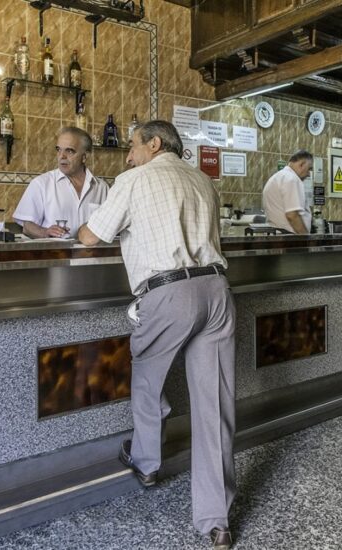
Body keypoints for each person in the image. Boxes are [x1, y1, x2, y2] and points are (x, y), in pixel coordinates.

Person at [78, 120, 236, 550]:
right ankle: (216, 522)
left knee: (148, 380)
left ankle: (147, 462)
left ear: (154, 143)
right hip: (217, 290)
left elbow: (90, 237)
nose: (128, 155)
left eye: (132, 146)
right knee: (214, 405)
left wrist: (76, 229)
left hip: (168, 294)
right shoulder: (204, 181)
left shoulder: (134, 179)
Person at [13, 127, 107, 238]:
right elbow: (27, 226)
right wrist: (45, 232)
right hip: (55, 254)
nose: (62, 156)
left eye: (69, 151)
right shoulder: (41, 184)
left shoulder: (102, 188)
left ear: (84, 157)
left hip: (93, 255)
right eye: (59, 150)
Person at [262, 150, 313, 234]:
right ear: (302, 164)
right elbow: (292, 216)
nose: (309, 174)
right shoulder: (292, 179)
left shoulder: (277, 177)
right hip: (289, 239)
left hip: (277, 236)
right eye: (309, 169)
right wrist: (306, 239)